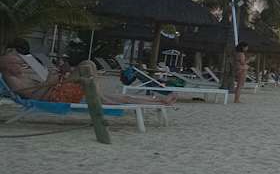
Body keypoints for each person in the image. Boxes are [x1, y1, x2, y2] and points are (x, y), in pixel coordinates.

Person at [0, 48, 175, 106]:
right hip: (56, 96)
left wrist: (59, 75)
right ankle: (98, 96)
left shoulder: (19, 77)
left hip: (58, 90)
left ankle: (160, 101)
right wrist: (55, 76)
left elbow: (42, 88)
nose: (22, 66)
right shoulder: (14, 80)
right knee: (87, 64)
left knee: (121, 96)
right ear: (7, 67)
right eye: (17, 63)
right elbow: (39, 93)